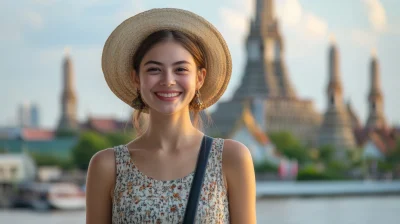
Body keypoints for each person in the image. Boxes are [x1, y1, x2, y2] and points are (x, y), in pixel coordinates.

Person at [86, 8, 256, 224]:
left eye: (181, 70)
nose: (168, 80)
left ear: (200, 78)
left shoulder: (230, 158)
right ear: (136, 78)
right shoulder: (108, 165)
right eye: (154, 70)